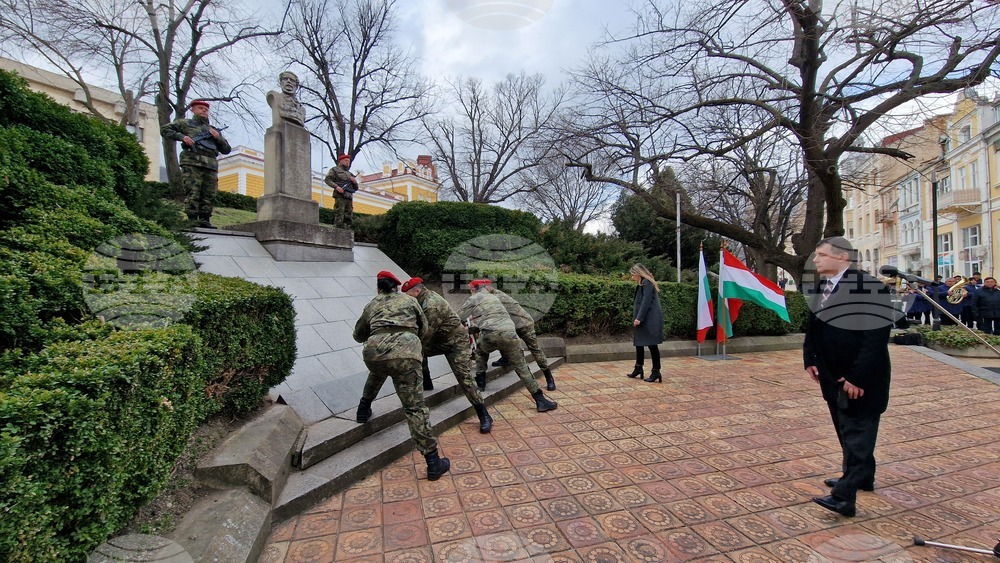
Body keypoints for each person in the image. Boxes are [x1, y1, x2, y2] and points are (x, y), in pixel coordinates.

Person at [804, 237, 893, 517]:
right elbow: (813, 327)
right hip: (830, 374)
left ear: (843, 257)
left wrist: (857, 377)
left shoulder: (870, 287)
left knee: (857, 433)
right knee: (845, 429)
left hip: (861, 379)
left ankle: (844, 497)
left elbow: (874, 338)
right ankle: (861, 476)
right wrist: (810, 359)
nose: (815, 260)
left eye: (821, 255)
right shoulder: (823, 286)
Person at [353, 270, 450, 480]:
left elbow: (357, 335)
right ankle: (433, 463)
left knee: (379, 370)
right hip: (406, 352)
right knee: (414, 407)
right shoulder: (409, 301)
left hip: (374, 353)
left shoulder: (371, 305)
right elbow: (423, 329)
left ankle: (363, 409)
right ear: (396, 287)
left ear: (378, 287)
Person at [401, 276, 493, 433]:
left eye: (408, 295)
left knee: (464, 378)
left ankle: (483, 414)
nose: (406, 299)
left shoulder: (431, 305)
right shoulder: (421, 300)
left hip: (455, 343)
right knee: (418, 349)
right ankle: (427, 382)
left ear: (417, 291)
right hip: (439, 340)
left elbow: (425, 334)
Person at [458, 279, 558, 412]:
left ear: (474, 290)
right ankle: (540, 400)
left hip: (514, 327)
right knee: (522, 367)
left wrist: (463, 327)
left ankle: (481, 383)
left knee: (481, 352)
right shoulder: (494, 297)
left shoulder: (475, 298)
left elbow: (459, 317)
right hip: (510, 332)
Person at [160, 100, 232, 228]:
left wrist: (217, 137)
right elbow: (165, 129)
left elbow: (226, 149)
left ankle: (205, 219)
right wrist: (182, 137)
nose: (204, 110)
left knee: (209, 194)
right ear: (193, 110)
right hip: (192, 163)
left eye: (206, 109)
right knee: (193, 191)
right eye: (200, 108)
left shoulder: (213, 130)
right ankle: (192, 219)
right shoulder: (185, 123)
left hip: (210, 166)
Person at [481, 281, 556, 391]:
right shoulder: (491, 295)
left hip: (524, 324)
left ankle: (549, 378)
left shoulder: (496, 297)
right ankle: (505, 358)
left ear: (487, 287)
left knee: (535, 349)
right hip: (511, 326)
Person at [625, 264, 664, 383]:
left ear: (638, 273)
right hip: (644, 318)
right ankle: (638, 368)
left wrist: (639, 318)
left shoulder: (647, 283)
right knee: (639, 343)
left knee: (652, 345)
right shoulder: (643, 283)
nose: (632, 276)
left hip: (649, 319)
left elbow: (646, 302)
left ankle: (656, 371)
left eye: (633, 274)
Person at [324, 153, 358, 229]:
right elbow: (327, 180)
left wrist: (354, 182)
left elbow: (356, 188)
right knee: (339, 213)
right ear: (341, 161)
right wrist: (337, 187)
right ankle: (337, 230)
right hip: (340, 196)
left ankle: (347, 230)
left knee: (348, 215)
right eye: (346, 161)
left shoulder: (350, 174)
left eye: (349, 161)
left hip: (349, 196)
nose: (347, 162)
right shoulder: (335, 170)